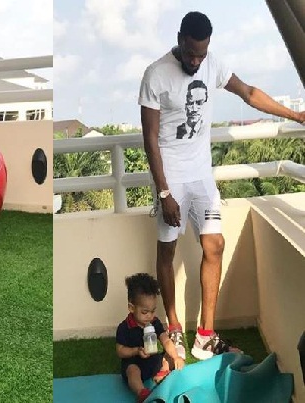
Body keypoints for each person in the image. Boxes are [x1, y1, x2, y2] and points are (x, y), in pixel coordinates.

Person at [139, 11, 305, 361]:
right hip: (171, 177)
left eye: (201, 55)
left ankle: (205, 336)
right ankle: (174, 327)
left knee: (214, 245)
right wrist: (164, 192)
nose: (196, 62)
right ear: (180, 40)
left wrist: (296, 115)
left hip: (202, 176)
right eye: (190, 54)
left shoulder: (212, 64)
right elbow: (150, 138)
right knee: (167, 251)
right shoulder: (156, 74)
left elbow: (249, 93)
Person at [116, 273, 185, 403]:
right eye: (144, 312)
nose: (149, 316)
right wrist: (136, 351)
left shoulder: (154, 322)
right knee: (132, 371)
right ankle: (141, 392)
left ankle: (163, 373)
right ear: (131, 308)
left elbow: (165, 340)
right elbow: (120, 351)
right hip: (134, 363)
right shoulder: (125, 327)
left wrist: (176, 357)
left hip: (152, 360)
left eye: (153, 311)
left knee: (168, 357)